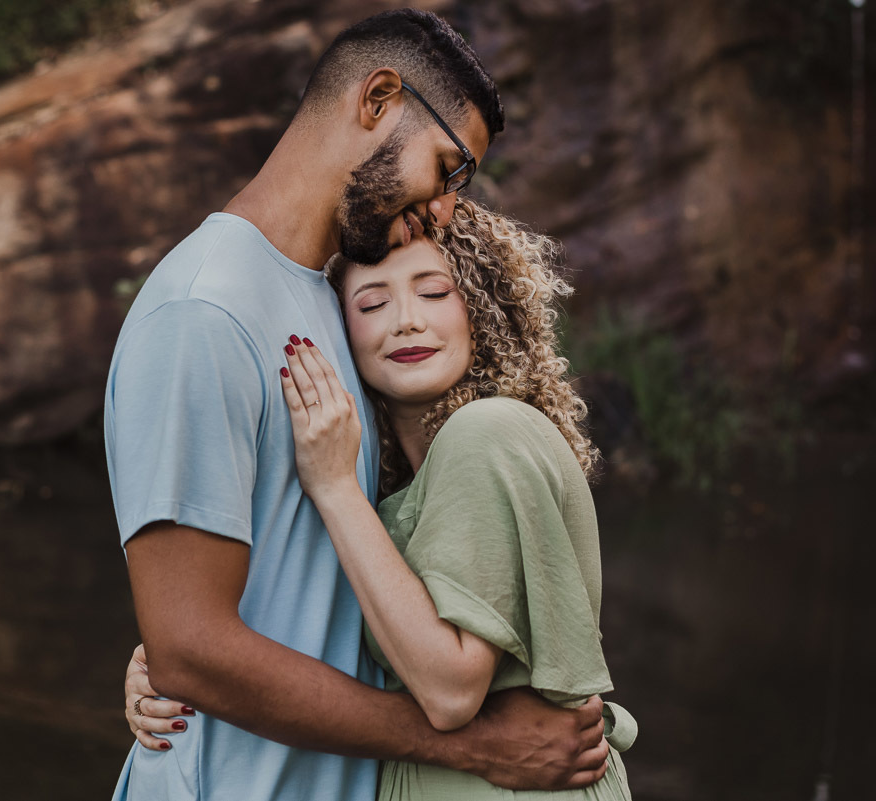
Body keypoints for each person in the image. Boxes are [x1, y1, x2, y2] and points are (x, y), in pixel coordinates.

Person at [105, 9, 607, 801]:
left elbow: (309, 568)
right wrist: (470, 745)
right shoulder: (203, 311)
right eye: (448, 167)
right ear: (377, 100)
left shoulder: (331, 297)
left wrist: (169, 648)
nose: (447, 207)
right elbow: (191, 647)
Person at [126, 198, 637, 800]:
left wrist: (336, 488)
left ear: (484, 308)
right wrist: (183, 662)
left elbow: (450, 692)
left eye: (435, 292)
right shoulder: (397, 487)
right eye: (372, 303)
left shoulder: (485, 433)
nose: (406, 321)